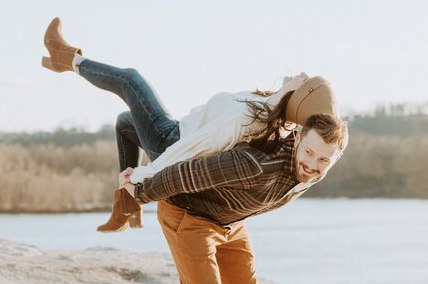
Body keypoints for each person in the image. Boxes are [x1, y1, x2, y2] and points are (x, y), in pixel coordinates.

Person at [42, 18, 348, 284]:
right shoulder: (254, 161)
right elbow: (189, 171)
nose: (314, 165)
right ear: (298, 139)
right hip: (187, 214)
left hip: (230, 223)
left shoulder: (314, 163)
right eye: (311, 154)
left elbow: (312, 129)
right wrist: (139, 190)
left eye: (324, 160)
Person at [40, 17, 342, 232]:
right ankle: (123, 208)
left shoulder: (248, 120)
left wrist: (142, 180)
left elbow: (190, 149)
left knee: (131, 81)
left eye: (304, 80)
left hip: (171, 139)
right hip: (181, 129)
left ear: (295, 97)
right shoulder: (266, 109)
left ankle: (65, 57)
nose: (299, 72)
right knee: (126, 124)